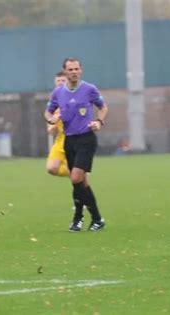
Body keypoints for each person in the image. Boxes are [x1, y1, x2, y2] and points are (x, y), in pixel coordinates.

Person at [44, 57, 108, 232]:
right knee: (79, 182)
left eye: (76, 69)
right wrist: (52, 119)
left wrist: (99, 122)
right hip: (69, 140)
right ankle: (97, 219)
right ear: (65, 72)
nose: (73, 72)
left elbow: (103, 107)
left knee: (76, 178)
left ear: (81, 70)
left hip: (86, 139)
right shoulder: (58, 93)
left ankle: (78, 217)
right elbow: (48, 111)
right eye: (70, 69)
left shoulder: (89, 89)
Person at [46, 71, 70, 177]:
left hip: (73, 138)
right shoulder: (54, 99)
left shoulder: (75, 96)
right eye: (58, 80)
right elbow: (50, 119)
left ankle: (78, 175)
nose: (60, 82)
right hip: (60, 140)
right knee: (51, 169)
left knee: (77, 177)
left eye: (63, 80)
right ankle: (73, 173)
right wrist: (51, 126)